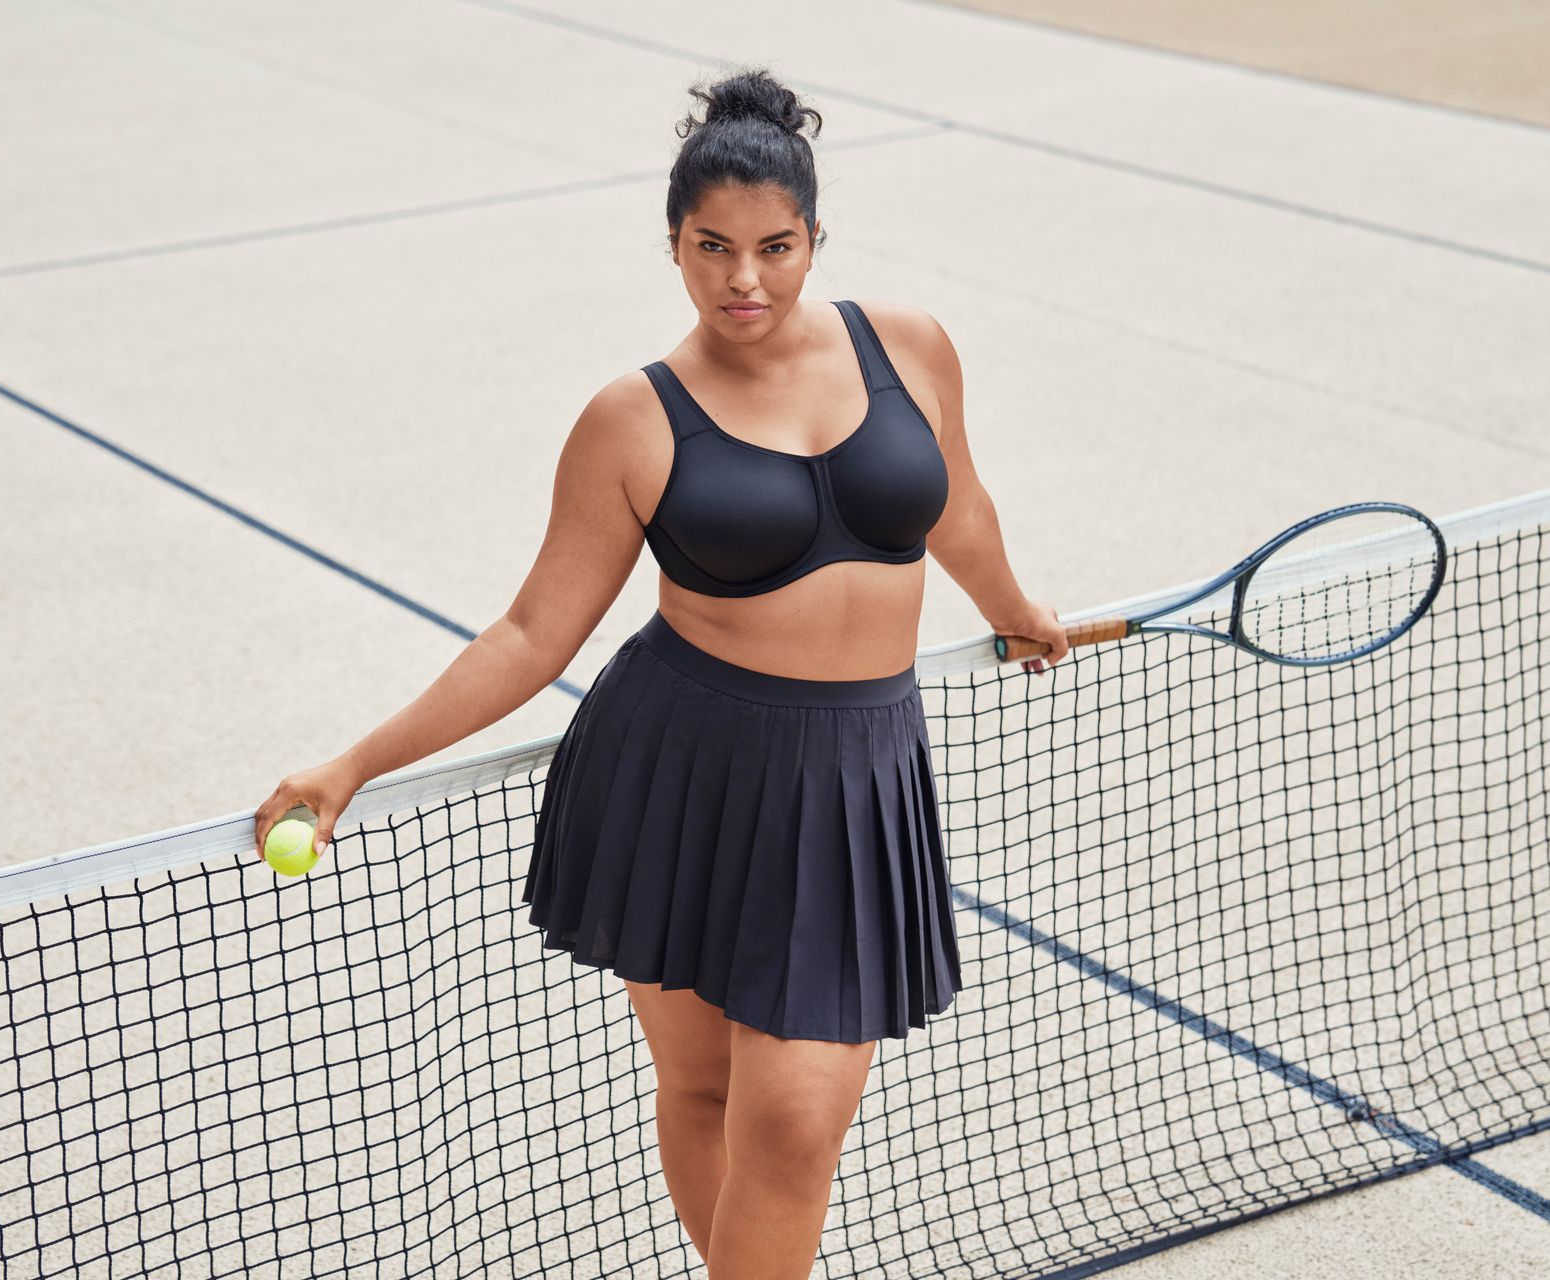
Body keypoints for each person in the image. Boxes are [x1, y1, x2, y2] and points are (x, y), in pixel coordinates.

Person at [254, 65, 1069, 1280]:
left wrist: (1014, 610)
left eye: (775, 246)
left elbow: (958, 507)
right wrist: (355, 761)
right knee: (700, 1085)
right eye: (713, 247)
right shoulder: (632, 420)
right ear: (673, 246)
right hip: (683, 768)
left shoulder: (911, 348)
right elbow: (534, 633)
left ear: (813, 237)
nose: (746, 279)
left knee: (791, 1120)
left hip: (854, 778)